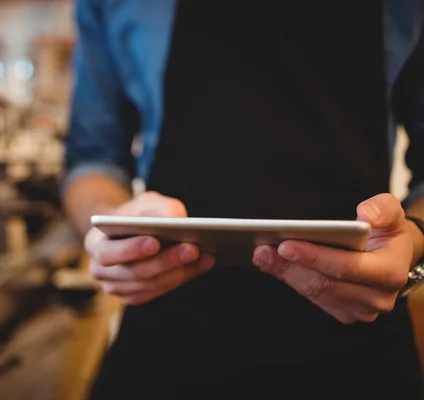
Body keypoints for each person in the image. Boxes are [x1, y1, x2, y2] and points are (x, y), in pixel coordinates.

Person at [62, 1, 424, 398]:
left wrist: (413, 238)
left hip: (360, 339)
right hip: (167, 338)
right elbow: (92, 159)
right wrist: (114, 225)